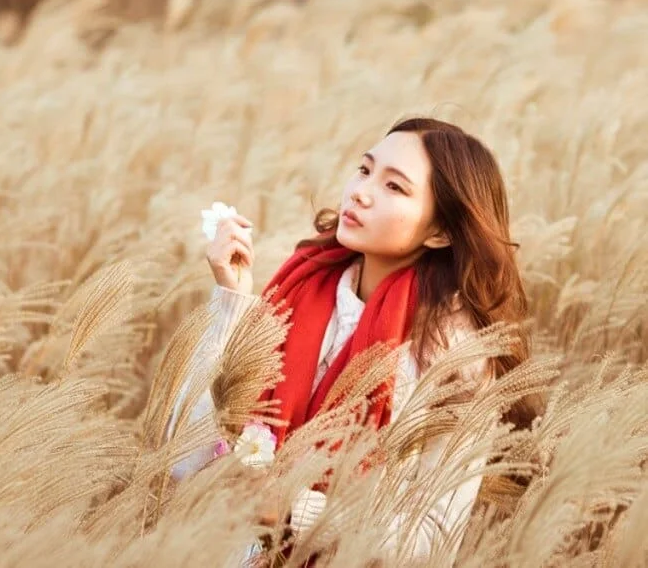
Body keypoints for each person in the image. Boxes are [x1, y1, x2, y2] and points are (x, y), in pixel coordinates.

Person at [164, 117, 542, 564]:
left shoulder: (452, 354)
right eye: (364, 171)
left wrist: (294, 509)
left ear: (441, 232)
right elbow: (183, 460)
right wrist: (232, 300)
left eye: (394, 187)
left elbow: (434, 540)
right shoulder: (297, 292)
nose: (360, 193)